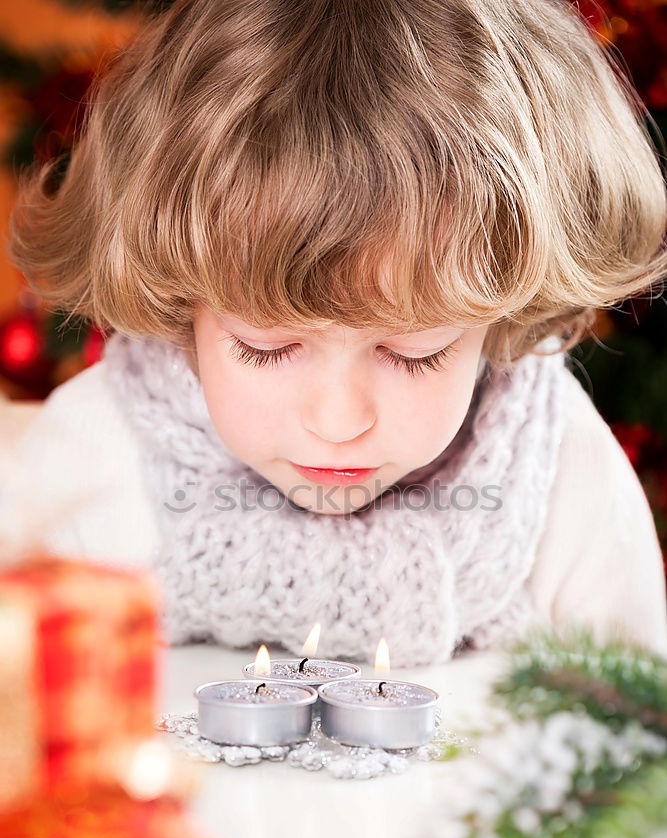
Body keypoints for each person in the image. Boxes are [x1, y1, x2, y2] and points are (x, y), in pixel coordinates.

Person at [5, 0, 667, 666]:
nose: (337, 420)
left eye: (414, 353)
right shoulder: (95, 452)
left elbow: (638, 735)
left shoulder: (558, 477)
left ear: (500, 316)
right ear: (185, 311)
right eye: (266, 347)